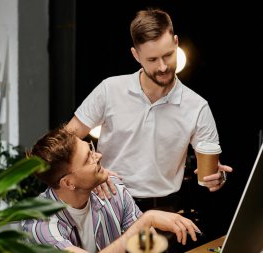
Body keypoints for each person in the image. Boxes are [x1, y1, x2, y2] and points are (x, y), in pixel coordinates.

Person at [66, 8, 233, 212]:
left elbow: (211, 169)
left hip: (164, 210)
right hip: (108, 204)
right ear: (136, 55)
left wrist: (218, 177)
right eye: (152, 60)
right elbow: (65, 139)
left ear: (176, 43)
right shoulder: (110, 90)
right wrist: (91, 172)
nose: (163, 67)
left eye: (168, 55)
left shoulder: (197, 106)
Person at [21, 126, 199, 253]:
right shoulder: (39, 223)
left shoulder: (112, 191)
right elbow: (142, 228)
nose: (98, 156)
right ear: (68, 183)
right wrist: (146, 220)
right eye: (88, 159)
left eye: (90, 148)